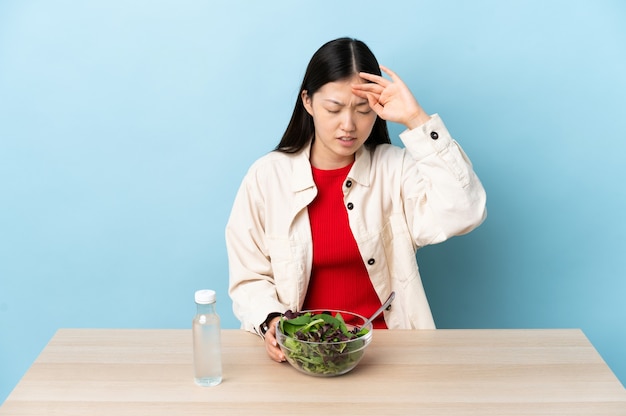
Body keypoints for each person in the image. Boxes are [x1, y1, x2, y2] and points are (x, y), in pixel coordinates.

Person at [226, 37, 487, 362]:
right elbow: (249, 277)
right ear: (307, 101)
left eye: (363, 111)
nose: (348, 126)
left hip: (390, 353)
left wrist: (416, 119)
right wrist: (272, 322)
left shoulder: (395, 168)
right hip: (303, 356)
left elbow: (465, 211)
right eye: (333, 109)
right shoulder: (267, 177)